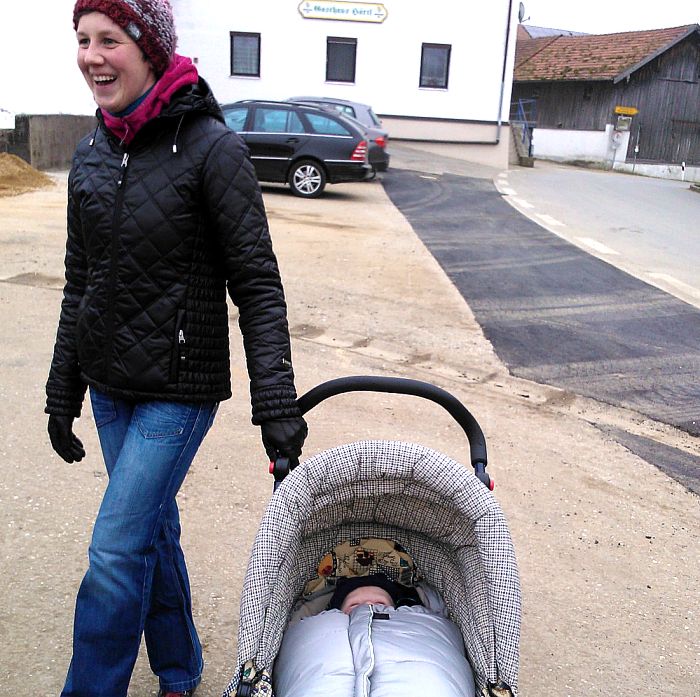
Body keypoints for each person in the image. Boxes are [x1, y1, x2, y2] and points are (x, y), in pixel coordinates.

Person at [45, 1, 307, 695]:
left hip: (179, 387)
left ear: (149, 48)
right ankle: (180, 667)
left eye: (108, 39)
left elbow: (257, 283)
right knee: (150, 532)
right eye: (82, 40)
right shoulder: (91, 151)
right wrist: (62, 391)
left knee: (114, 549)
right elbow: (80, 281)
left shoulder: (212, 148)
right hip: (109, 385)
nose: (91, 56)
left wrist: (276, 402)